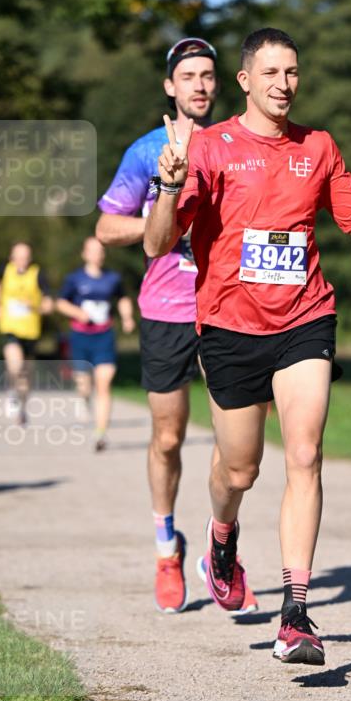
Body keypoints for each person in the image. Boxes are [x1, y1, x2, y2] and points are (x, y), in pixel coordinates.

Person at [144, 27, 351, 665]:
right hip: (228, 326)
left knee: (305, 455)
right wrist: (168, 185)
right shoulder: (210, 147)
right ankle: (223, 536)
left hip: (305, 317)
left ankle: (296, 613)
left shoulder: (318, 145)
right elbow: (156, 245)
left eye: (293, 72)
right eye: (270, 73)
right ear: (245, 80)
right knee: (240, 469)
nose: (284, 84)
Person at [96, 37, 257, 615]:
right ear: (170, 86)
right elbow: (105, 229)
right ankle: (167, 546)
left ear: (222, 83)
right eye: (188, 75)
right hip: (166, 310)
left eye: (208, 75)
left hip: (233, 310)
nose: (199, 85)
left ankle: (222, 543)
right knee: (168, 437)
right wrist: (161, 221)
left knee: (234, 444)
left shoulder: (240, 145)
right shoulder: (146, 151)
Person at [56, 237, 134, 451]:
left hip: (104, 336)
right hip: (80, 336)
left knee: (104, 382)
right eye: (93, 251)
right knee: (84, 384)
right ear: (84, 254)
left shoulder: (113, 278)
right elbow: (60, 302)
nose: (97, 255)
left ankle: (100, 433)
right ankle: (83, 398)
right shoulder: (74, 279)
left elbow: (123, 298)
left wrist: (127, 318)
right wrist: (77, 312)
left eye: (100, 251)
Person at [0, 242, 53, 424]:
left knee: (26, 375)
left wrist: (39, 306)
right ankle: (11, 392)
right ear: (11, 257)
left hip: (31, 331)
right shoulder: (5, 270)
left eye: (25, 257)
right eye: (18, 257)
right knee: (14, 364)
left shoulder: (38, 274)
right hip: (10, 327)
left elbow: (48, 301)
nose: (22, 261)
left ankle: (22, 409)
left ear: (30, 258)